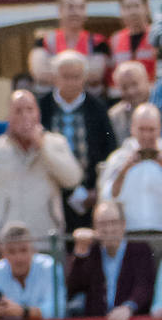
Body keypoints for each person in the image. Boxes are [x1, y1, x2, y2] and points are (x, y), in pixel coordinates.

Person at [0, 89, 78, 243]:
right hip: (9, 241)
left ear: (38, 114)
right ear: (9, 116)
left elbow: (72, 179)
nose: (25, 116)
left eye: (30, 110)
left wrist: (42, 146)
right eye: (18, 111)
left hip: (47, 238)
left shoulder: (56, 143)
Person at [38, 49, 117, 228]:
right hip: (51, 193)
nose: (71, 82)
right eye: (66, 76)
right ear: (55, 78)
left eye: (77, 76)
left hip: (88, 195)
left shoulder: (97, 108)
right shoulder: (41, 108)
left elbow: (109, 150)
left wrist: (96, 190)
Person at [97, 102, 162, 236]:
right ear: (132, 128)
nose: (146, 135)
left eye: (151, 129)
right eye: (141, 129)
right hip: (129, 233)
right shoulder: (117, 159)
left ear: (160, 128)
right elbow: (108, 198)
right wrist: (125, 169)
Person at [66, 199, 155, 320]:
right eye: (102, 224)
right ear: (95, 227)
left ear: (123, 224)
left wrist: (128, 307)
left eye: (114, 222)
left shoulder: (140, 250)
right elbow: (73, 289)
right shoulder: (92, 252)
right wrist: (80, 253)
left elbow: (144, 286)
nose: (108, 229)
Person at [0, 221, 64, 320]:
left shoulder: (50, 267)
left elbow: (58, 310)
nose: (18, 258)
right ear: (3, 254)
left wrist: (23, 312)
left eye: (23, 250)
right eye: (11, 252)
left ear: (33, 250)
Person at [109, 0, 157, 93]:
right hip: (124, 96)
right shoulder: (115, 39)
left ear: (147, 8)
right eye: (128, 7)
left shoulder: (156, 35)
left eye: (136, 6)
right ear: (121, 11)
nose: (133, 12)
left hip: (152, 93)